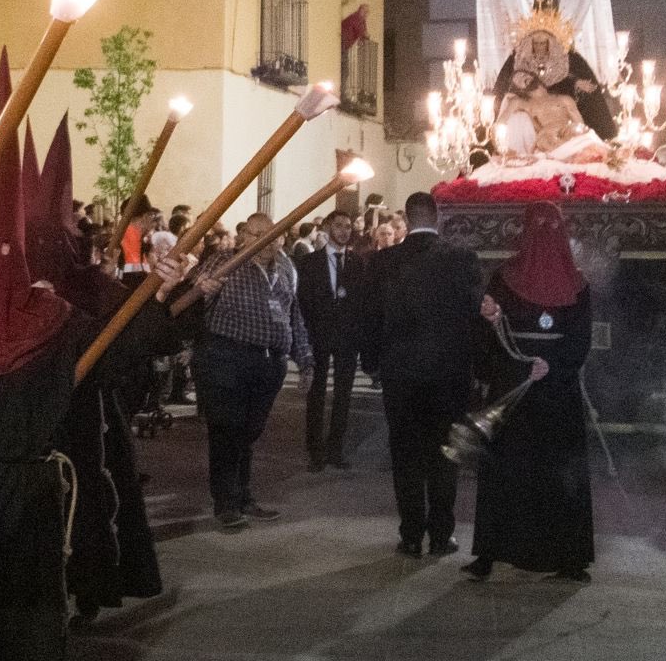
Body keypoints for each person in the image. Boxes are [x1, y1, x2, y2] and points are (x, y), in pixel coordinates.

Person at [0, 52, 184, 661]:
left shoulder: (54, 323)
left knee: (24, 629)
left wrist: (155, 295)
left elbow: (118, 351)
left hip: (30, 499)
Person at [23, 118, 165, 623]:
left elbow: (129, 341)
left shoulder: (89, 283)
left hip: (81, 416)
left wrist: (155, 295)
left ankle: (87, 586)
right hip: (18, 426)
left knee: (84, 504)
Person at [463, 201, 589, 582]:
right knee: (504, 472)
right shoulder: (504, 278)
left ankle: (569, 559)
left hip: (556, 393)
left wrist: (554, 365)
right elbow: (486, 333)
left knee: (560, 474)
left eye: (553, 225)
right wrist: (489, 319)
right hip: (513, 386)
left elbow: (580, 340)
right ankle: (489, 553)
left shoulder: (579, 284)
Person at [361, 191, 482, 557]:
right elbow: (476, 318)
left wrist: (373, 365)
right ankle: (442, 535)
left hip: (401, 375)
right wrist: (475, 367)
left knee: (406, 456)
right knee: (446, 455)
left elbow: (369, 319)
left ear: (408, 219)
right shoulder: (462, 260)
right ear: (438, 215)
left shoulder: (383, 262)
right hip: (449, 376)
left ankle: (411, 534)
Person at [192, 214, 310, 528]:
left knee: (248, 432)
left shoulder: (286, 268)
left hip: (270, 362)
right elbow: (194, 295)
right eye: (258, 234)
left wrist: (304, 357)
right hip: (228, 356)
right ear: (244, 236)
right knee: (226, 429)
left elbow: (292, 315)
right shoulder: (225, 262)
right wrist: (203, 287)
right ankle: (226, 501)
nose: (266, 241)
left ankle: (243, 496)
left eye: (272, 235)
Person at [296, 210, 363, 472]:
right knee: (317, 392)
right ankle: (315, 450)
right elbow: (305, 299)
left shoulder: (357, 263)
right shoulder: (311, 262)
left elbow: (361, 300)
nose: (344, 231)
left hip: (347, 336)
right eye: (339, 226)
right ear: (327, 228)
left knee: (344, 393)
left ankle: (336, 447)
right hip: (320, 333)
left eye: (348, 226)